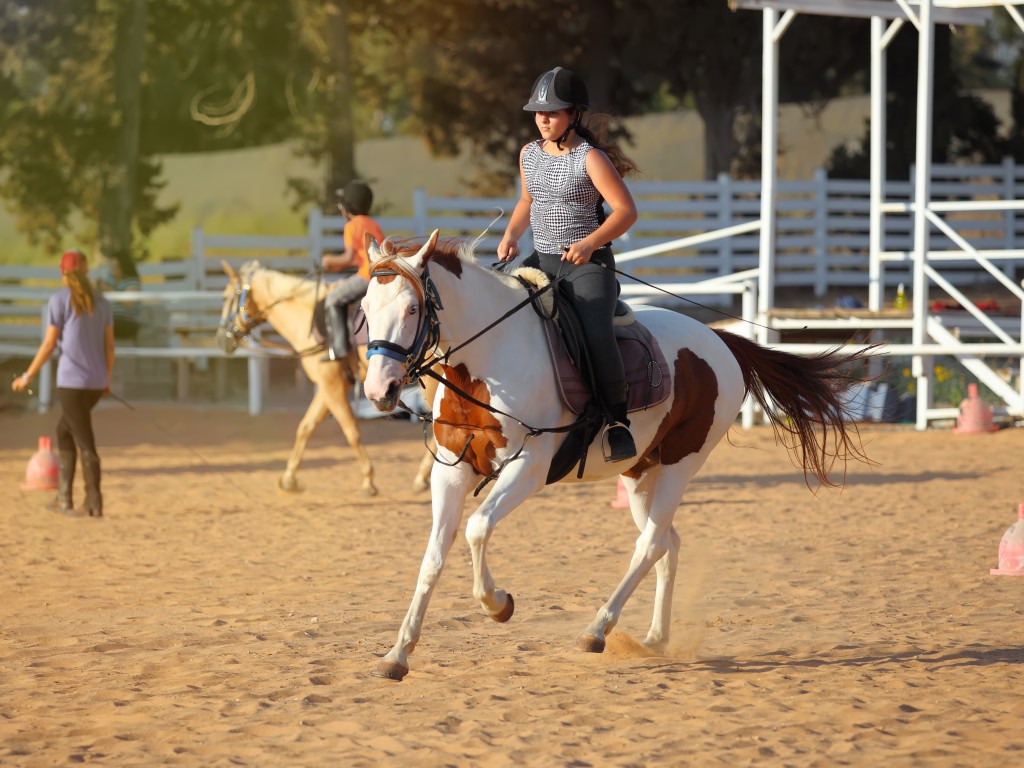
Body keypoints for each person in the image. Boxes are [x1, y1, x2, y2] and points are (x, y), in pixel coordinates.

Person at [497, 66, 640, 462]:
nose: (543, 119)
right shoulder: (528, 153)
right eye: (539, 112)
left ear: (574, 115)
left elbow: (626, 212)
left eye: (553, 112)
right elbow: (528, 201)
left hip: (586, 266)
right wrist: (510, 235)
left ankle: (616, 422)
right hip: (540, 260)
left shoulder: (589, 159)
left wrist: (590, 243)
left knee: (596, 333)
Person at [11, 249, 114, 517]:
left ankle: (94, 501)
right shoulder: (102, 303)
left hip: (71, 383)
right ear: (87, 270)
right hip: (94, 384)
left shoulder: (59, 301)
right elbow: (110, 348)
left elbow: (48, 344)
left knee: (85, 440)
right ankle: (64, 498)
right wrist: (107, 379)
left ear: (63, 273)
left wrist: (27, 376)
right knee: (64, 431)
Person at [321, 179, 385, 367]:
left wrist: (328, 261)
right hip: (379, 274)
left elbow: (348, 257)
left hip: (367, 276)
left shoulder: (352, 226)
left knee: (332, 298)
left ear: (347, 206)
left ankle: (340, 347)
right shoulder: (373, 224)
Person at [95, 247, 142, 341]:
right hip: (110, 319)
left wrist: (109, 290)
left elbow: (130, 303)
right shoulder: (110, 280)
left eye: (117, 267)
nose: (114, 270)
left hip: (126, 321)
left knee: (103, 326)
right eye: (112, 267)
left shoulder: (132, 282)